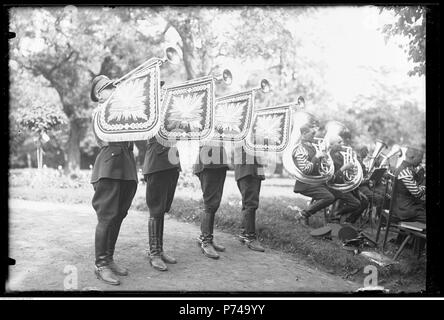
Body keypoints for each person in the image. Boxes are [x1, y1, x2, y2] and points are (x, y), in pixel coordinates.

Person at [90, 75, 138, 285]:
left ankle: (109, 258)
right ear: (99, 94)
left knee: (118, 216)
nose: (114, 90)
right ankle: (101, 265)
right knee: (107, 217)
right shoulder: (100, 112)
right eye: (109, 88)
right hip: (109, 167)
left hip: (126, 167)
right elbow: (108, 136)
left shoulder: (122, 111)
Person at [142, 137, 181, 271]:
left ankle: (159, 249)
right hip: (157, 162)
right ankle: (154, 253)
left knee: (162, 209)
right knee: (156, 210)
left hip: (172, 161)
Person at [292, 115, 338, 225]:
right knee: (329, 197)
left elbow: (321, 164)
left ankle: (333, 220)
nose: (315, 136)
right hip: (305, 184)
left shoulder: (313, 146)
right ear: (303, 134)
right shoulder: (300, 149)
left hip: (316, 182)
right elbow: (306, 170)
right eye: (312, 134)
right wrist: (317, 157)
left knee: (338, 193)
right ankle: (303, 214)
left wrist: (324, 159)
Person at [193, 144, 228, 259]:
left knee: (215, 203)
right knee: (210, 203)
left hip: (219, 161)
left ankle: (208, 237)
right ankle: (206, 241)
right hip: (208, 159)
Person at [326, 134, 367, 224]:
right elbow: (331, 179)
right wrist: (344, 168)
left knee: (365, 201)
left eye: (342, 141)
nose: (342, 143)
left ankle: (349, 221)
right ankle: (335, 215)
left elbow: (348, 174)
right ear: (331, 145)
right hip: (335, 187)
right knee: (356, 203)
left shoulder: (341, 155)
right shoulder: (328, 157)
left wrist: (352, 170)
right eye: (339, 142)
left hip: (345, 186)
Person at [233, 145, 266, 252]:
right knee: (251, 204)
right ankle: (250, 237)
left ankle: (244, 233)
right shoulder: (247, 131)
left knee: (247, 203)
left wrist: (261, 174)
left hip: (252, 170)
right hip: (248, 170)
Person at [393, 147, 426, 223]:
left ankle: (404, 235)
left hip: (401, 207)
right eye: (420, 158)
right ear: (412, 157)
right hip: (405, 210)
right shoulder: (405, 172)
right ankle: (412, 234)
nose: (421, 161)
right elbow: (417, 193)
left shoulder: (402, 168)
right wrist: (424, 187)